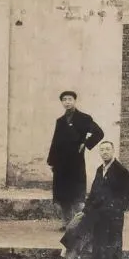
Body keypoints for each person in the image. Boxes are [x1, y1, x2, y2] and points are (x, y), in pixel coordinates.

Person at [56, 141, 129, 259]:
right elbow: (93, 193)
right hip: (95, 210)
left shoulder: (121, 171)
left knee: (109, 245)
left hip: (112, 216)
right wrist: (85, 210)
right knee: (75, 226)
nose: (105, 152)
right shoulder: (100, 170)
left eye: (108, 149)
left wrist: (116, 209)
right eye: (102, 150)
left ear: (113, 151)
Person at [46, 90, 105, 229]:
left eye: (70, 99)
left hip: (76, 162)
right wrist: (52, 161)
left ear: (74, 101)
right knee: (63, 196)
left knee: (77, 196)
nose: (67, 102)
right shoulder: (60, 121)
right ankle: (66, 224)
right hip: (61, 163)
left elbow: (99, 133)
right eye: (64, 100)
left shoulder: (84, 118)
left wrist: (86, 143)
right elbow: (55, 142)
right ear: (62, 102)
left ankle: (80, 224)